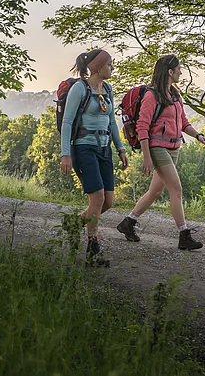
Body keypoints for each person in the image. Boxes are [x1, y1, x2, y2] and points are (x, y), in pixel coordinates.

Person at [116, 54, 205, 250]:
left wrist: (197, 135)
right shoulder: (152, 95)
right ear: (170, 72)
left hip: (174, 147)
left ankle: (128, 223)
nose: (181, 72)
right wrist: (147, 156)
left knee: (155, 191)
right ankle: (184, 235)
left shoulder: (175, 94)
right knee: (176, 189)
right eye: (179, 69)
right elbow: (142, 126)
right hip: (157, 148)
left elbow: (183, 122)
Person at [60, 48, 128, 266]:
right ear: (97, 67)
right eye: (109, 64)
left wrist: (121, 149)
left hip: (104, 149)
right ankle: (93, 246)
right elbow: (67, 122)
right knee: (97, 197)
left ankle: (75, 223)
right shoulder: (80, 89)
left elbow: (111, 123)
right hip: (83, 148)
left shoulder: (107, 89)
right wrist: (66, 154)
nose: (112, 67)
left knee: (107, 201)